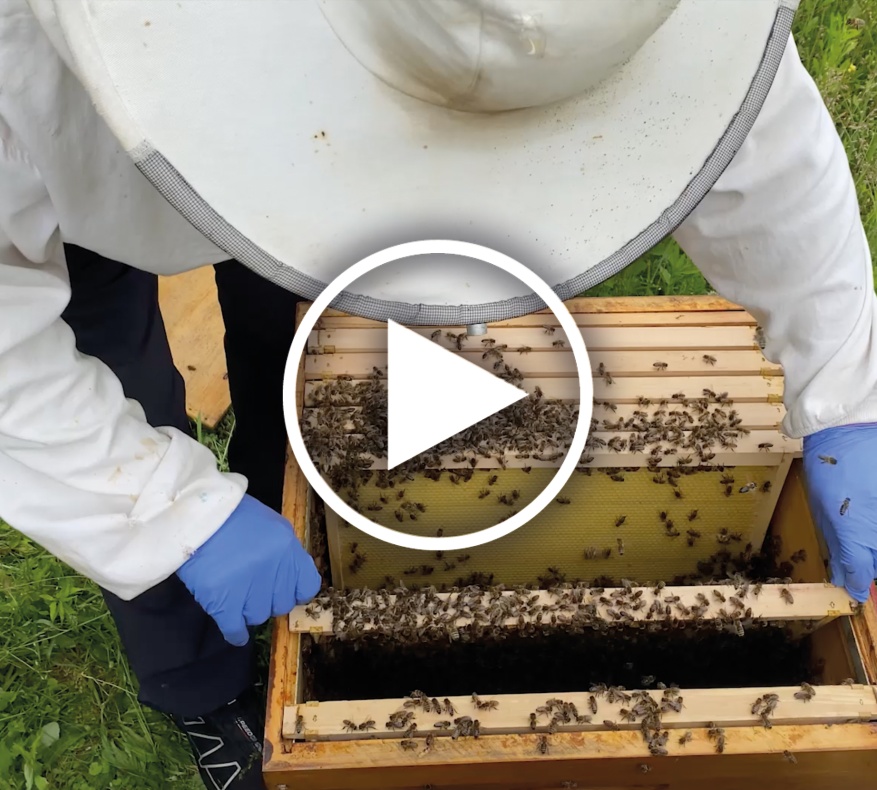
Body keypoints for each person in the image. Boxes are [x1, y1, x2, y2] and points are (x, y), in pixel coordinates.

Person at [2, 1, 875, 788]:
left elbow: (751, 135)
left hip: (296, 159)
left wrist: (848, 395)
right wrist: (165, 513)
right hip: (94, 141)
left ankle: (293, 514)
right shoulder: (35, 46)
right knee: (111, 365)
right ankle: (197, 680)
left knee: (298, 348)